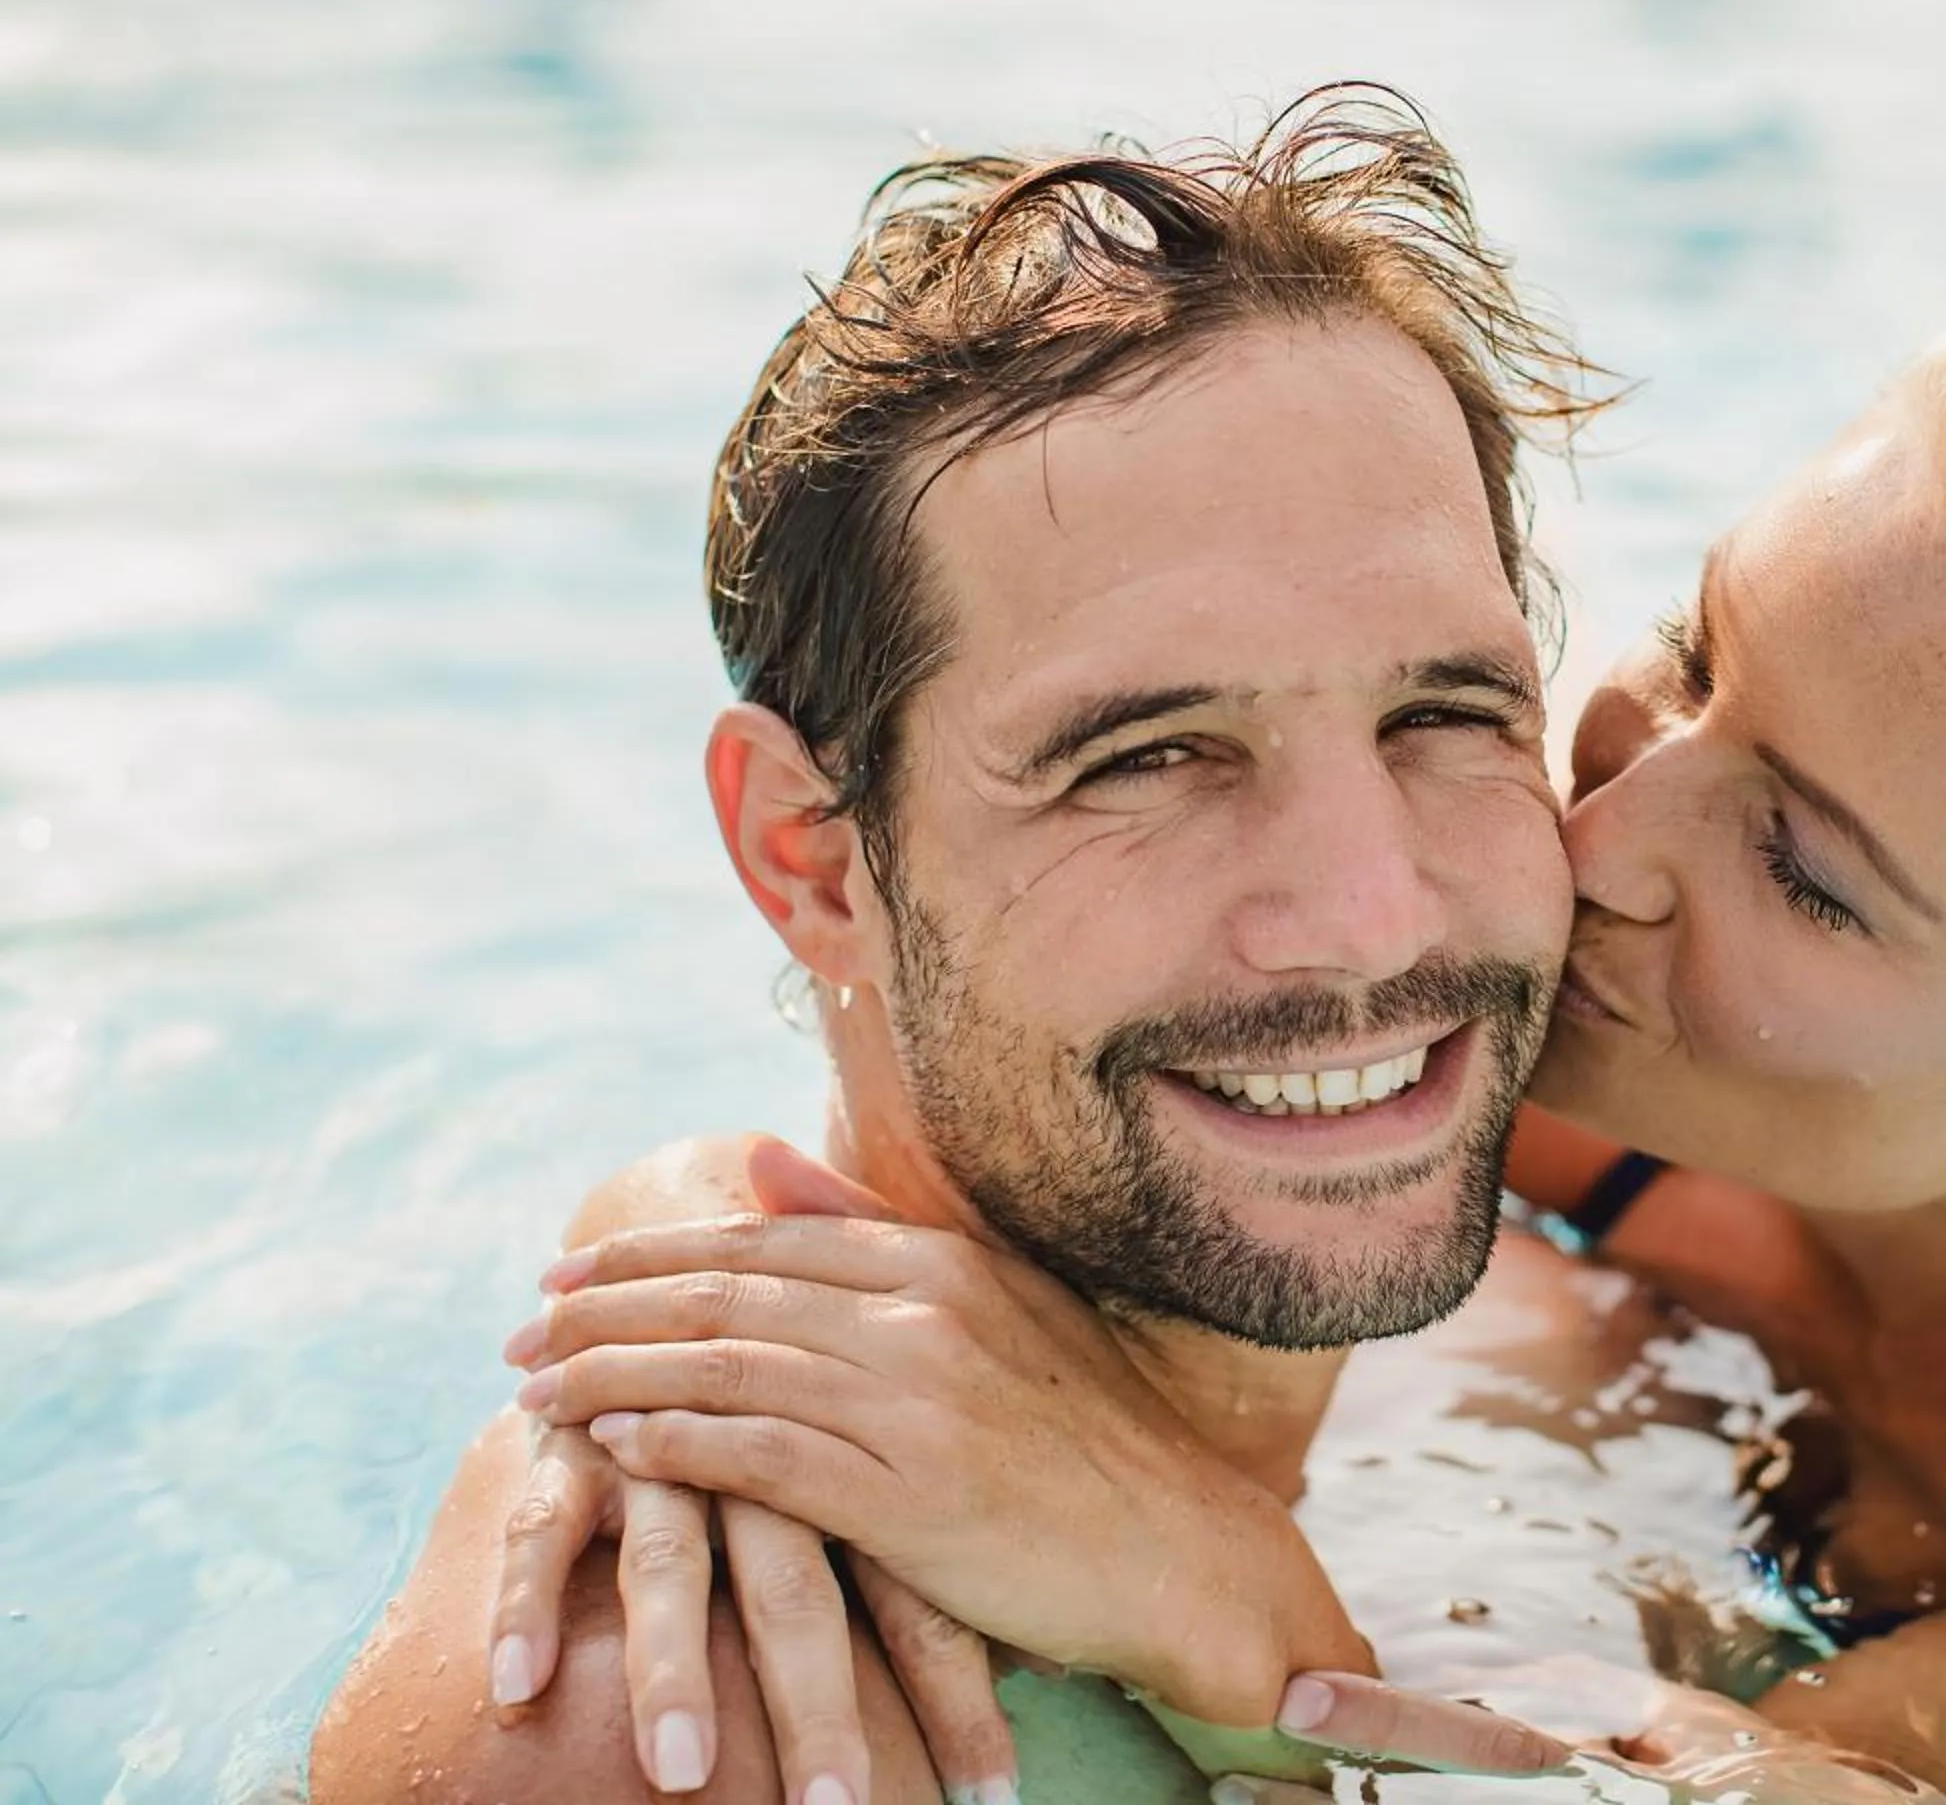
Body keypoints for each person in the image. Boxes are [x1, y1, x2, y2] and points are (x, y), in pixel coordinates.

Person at [467, 280, 1946, 1802]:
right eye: (1696, 653)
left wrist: (1196, 1585)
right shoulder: (1657, 1001)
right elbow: (1022, 1052)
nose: (1607, 820)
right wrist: (697, 1251)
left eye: (1806, 864)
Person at [307, 89, 1612, 1805]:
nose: (1373, 913)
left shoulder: (1540, 1314)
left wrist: (1237, 1615)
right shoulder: (670, 1719)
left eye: (1446, 713)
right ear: (811, 856)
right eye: (1145, 758)